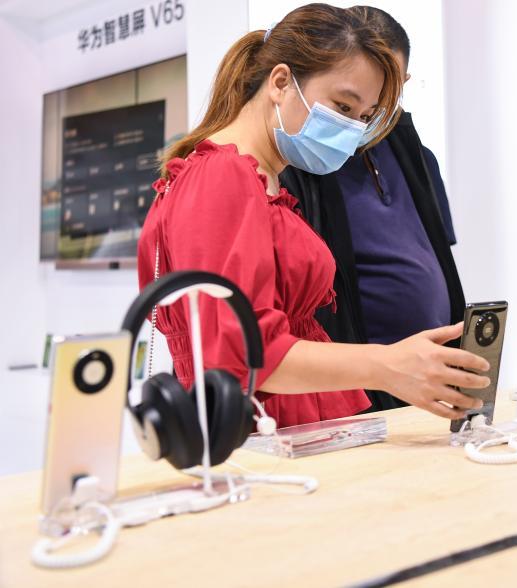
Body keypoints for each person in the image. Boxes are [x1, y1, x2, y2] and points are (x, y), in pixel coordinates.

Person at [137, 3, 489, 428]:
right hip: (262, 433)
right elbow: (242, 353)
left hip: (299, 426)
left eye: (363, 117)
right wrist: (387, 365)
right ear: (281, 82)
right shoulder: (221, 176)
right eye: (342, 107)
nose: (353, 131)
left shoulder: (263, 180)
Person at [280, 6, 463, 412]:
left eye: (381, 95)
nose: (369, 111)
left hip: (427, 379)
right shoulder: (308, 156)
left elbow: (436, 261)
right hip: (356, 386)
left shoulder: (417, 158)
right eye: (349, 103)